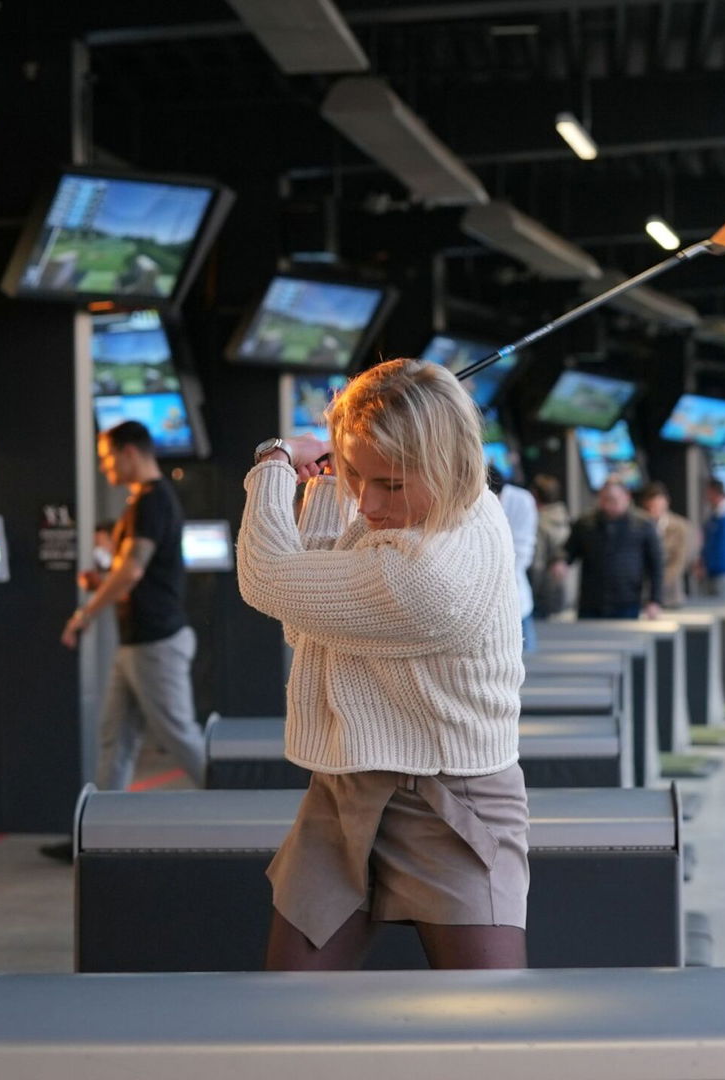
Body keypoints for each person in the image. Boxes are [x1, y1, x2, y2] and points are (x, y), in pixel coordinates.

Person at [237, 357, 527, 971]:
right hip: (344, 787)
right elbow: (310, 620)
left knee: (491, 1018)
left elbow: (268, 579)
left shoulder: (428, 575)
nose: (366, 503)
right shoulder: (451, 505)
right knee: (287, 1013)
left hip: (450, 802)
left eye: (389, 484)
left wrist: (274, 463)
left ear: (448, 465)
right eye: (354, 474)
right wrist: (324, 485)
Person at [61, 420, 207, 795]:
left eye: (106, 458)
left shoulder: (153, 500)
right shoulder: (140, 501)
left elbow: (131, 570)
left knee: (179, 736)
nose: (103, 467)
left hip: (157, 642)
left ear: (128, 453)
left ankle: (244, 810)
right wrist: (102, 583)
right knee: (116, 739)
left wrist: (85, 615)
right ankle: (105, 824)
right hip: (135, 642)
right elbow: (134, 574)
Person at [565, 481, 663, 620]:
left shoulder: (643, 524)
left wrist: (655, 600)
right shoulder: (585, 524)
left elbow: (656, 565)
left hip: (627, 602)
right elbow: (568, 551)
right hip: (591, 602)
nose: (607, 505)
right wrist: (560, 561)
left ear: (626, 497)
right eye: (603, 500)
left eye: (613, 500)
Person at [637, 482, 699, 608]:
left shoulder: (680, 527)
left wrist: (657, 582)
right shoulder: (638, 525)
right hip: (642, 594)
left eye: (658, 505)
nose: (655, 510)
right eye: (651, 506)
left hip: (671, 595)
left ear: (666, 502)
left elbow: (681, 561)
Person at [497, 474, 537, 654]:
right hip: (481, 612)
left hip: (516, 600)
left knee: (528, 661)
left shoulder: (520, 500)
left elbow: (522, 555)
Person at [529, 475, 570, 619]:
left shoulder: (538, 522)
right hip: (562, 586)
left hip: (541, 590)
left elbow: (537, 563)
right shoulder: (563, 516)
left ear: (534, 495)